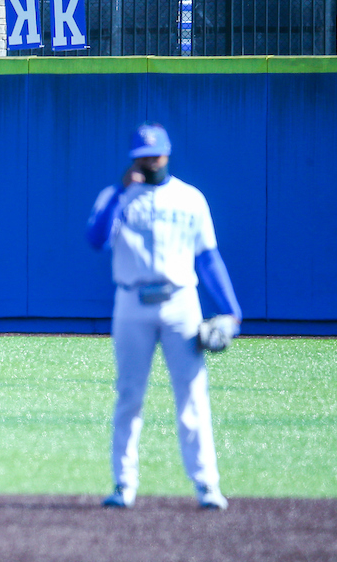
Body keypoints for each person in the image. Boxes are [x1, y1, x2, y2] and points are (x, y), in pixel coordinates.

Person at [85, 122, 242, 511]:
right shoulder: (117, 198)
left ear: (167, 154)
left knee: (192, 396)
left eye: (155, 154)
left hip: (180, 304)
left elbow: (207, 258)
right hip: (131, 303)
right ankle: (124, 485)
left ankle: (207, 485)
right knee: (129, 396)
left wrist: (232, 309)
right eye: (142, 156)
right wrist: (121, 193)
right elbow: (96, 239)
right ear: (133, 159)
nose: (149, 161)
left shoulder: (191, 199)